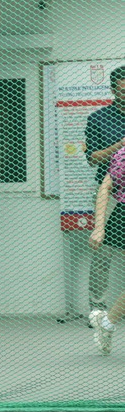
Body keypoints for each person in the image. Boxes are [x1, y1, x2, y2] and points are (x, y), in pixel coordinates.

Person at [84, 66, 125, 317]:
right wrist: (120, 145)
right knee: (103, 252)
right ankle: (98, 309)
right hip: (109, 193)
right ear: (113, 90)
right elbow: (93, 159)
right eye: (123, 90)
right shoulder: (98, 118)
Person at [88, 145, 125, 354]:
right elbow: (105, 187)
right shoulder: (123, 154)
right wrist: (99, 227)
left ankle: (106, 323)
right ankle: (106, 324)